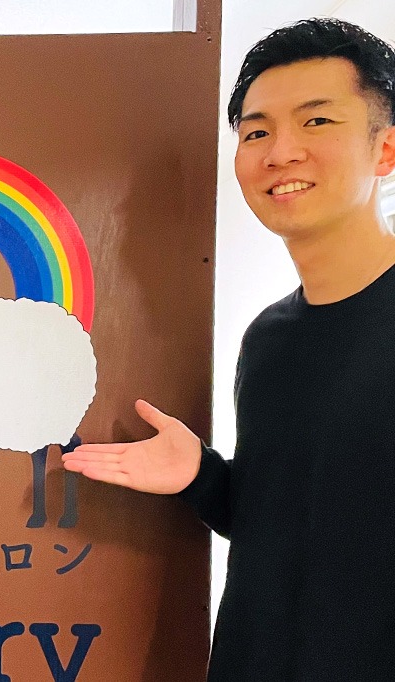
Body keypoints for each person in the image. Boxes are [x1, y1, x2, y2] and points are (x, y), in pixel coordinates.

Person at [62, 17, 395, 681]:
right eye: (256, 132)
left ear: (385, 150)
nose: (281, 152)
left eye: (317, 121)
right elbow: (296, 523)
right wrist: (203, 477)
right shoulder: (270, 339)